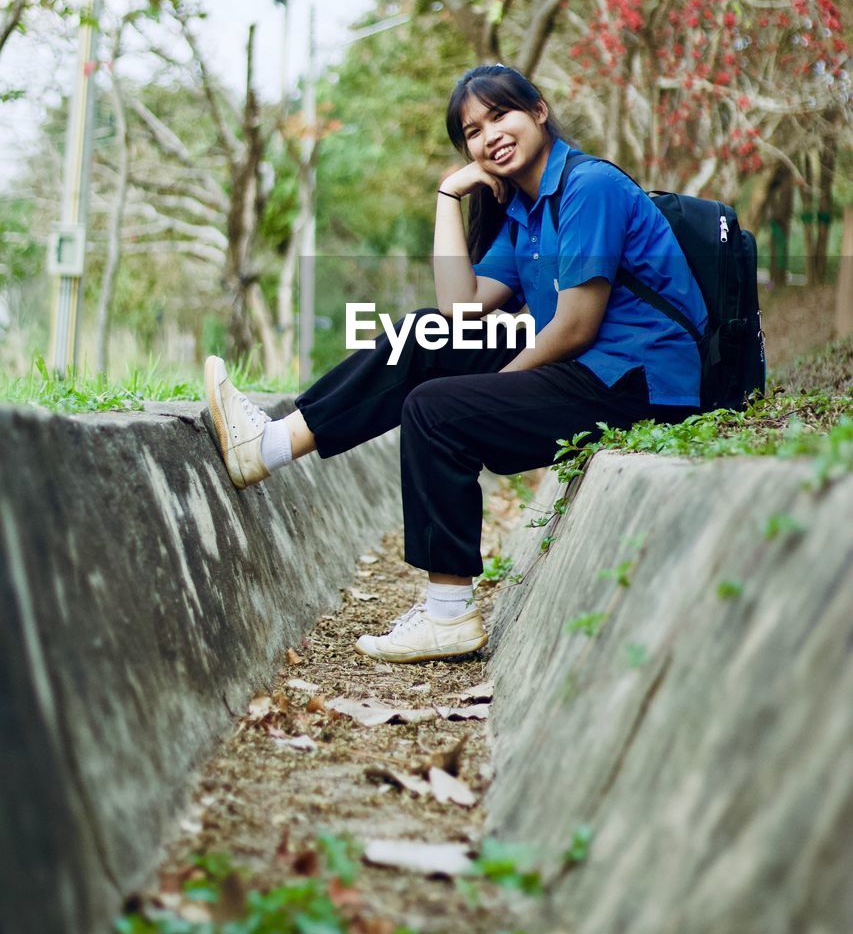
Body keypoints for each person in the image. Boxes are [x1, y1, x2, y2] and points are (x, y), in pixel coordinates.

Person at [205, 65, 707, 663]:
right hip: (595, 367)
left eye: (501, 115)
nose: (489, 135)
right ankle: (266, 445)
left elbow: (575, 325)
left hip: (638, 381)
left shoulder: (588, 188)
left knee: (438, 409)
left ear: (539, 111)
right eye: (472, 131)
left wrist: (494, 386)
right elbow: (458, 311)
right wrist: (448, 195)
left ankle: (447, 614)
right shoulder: (527, 211)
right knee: (423, 334)